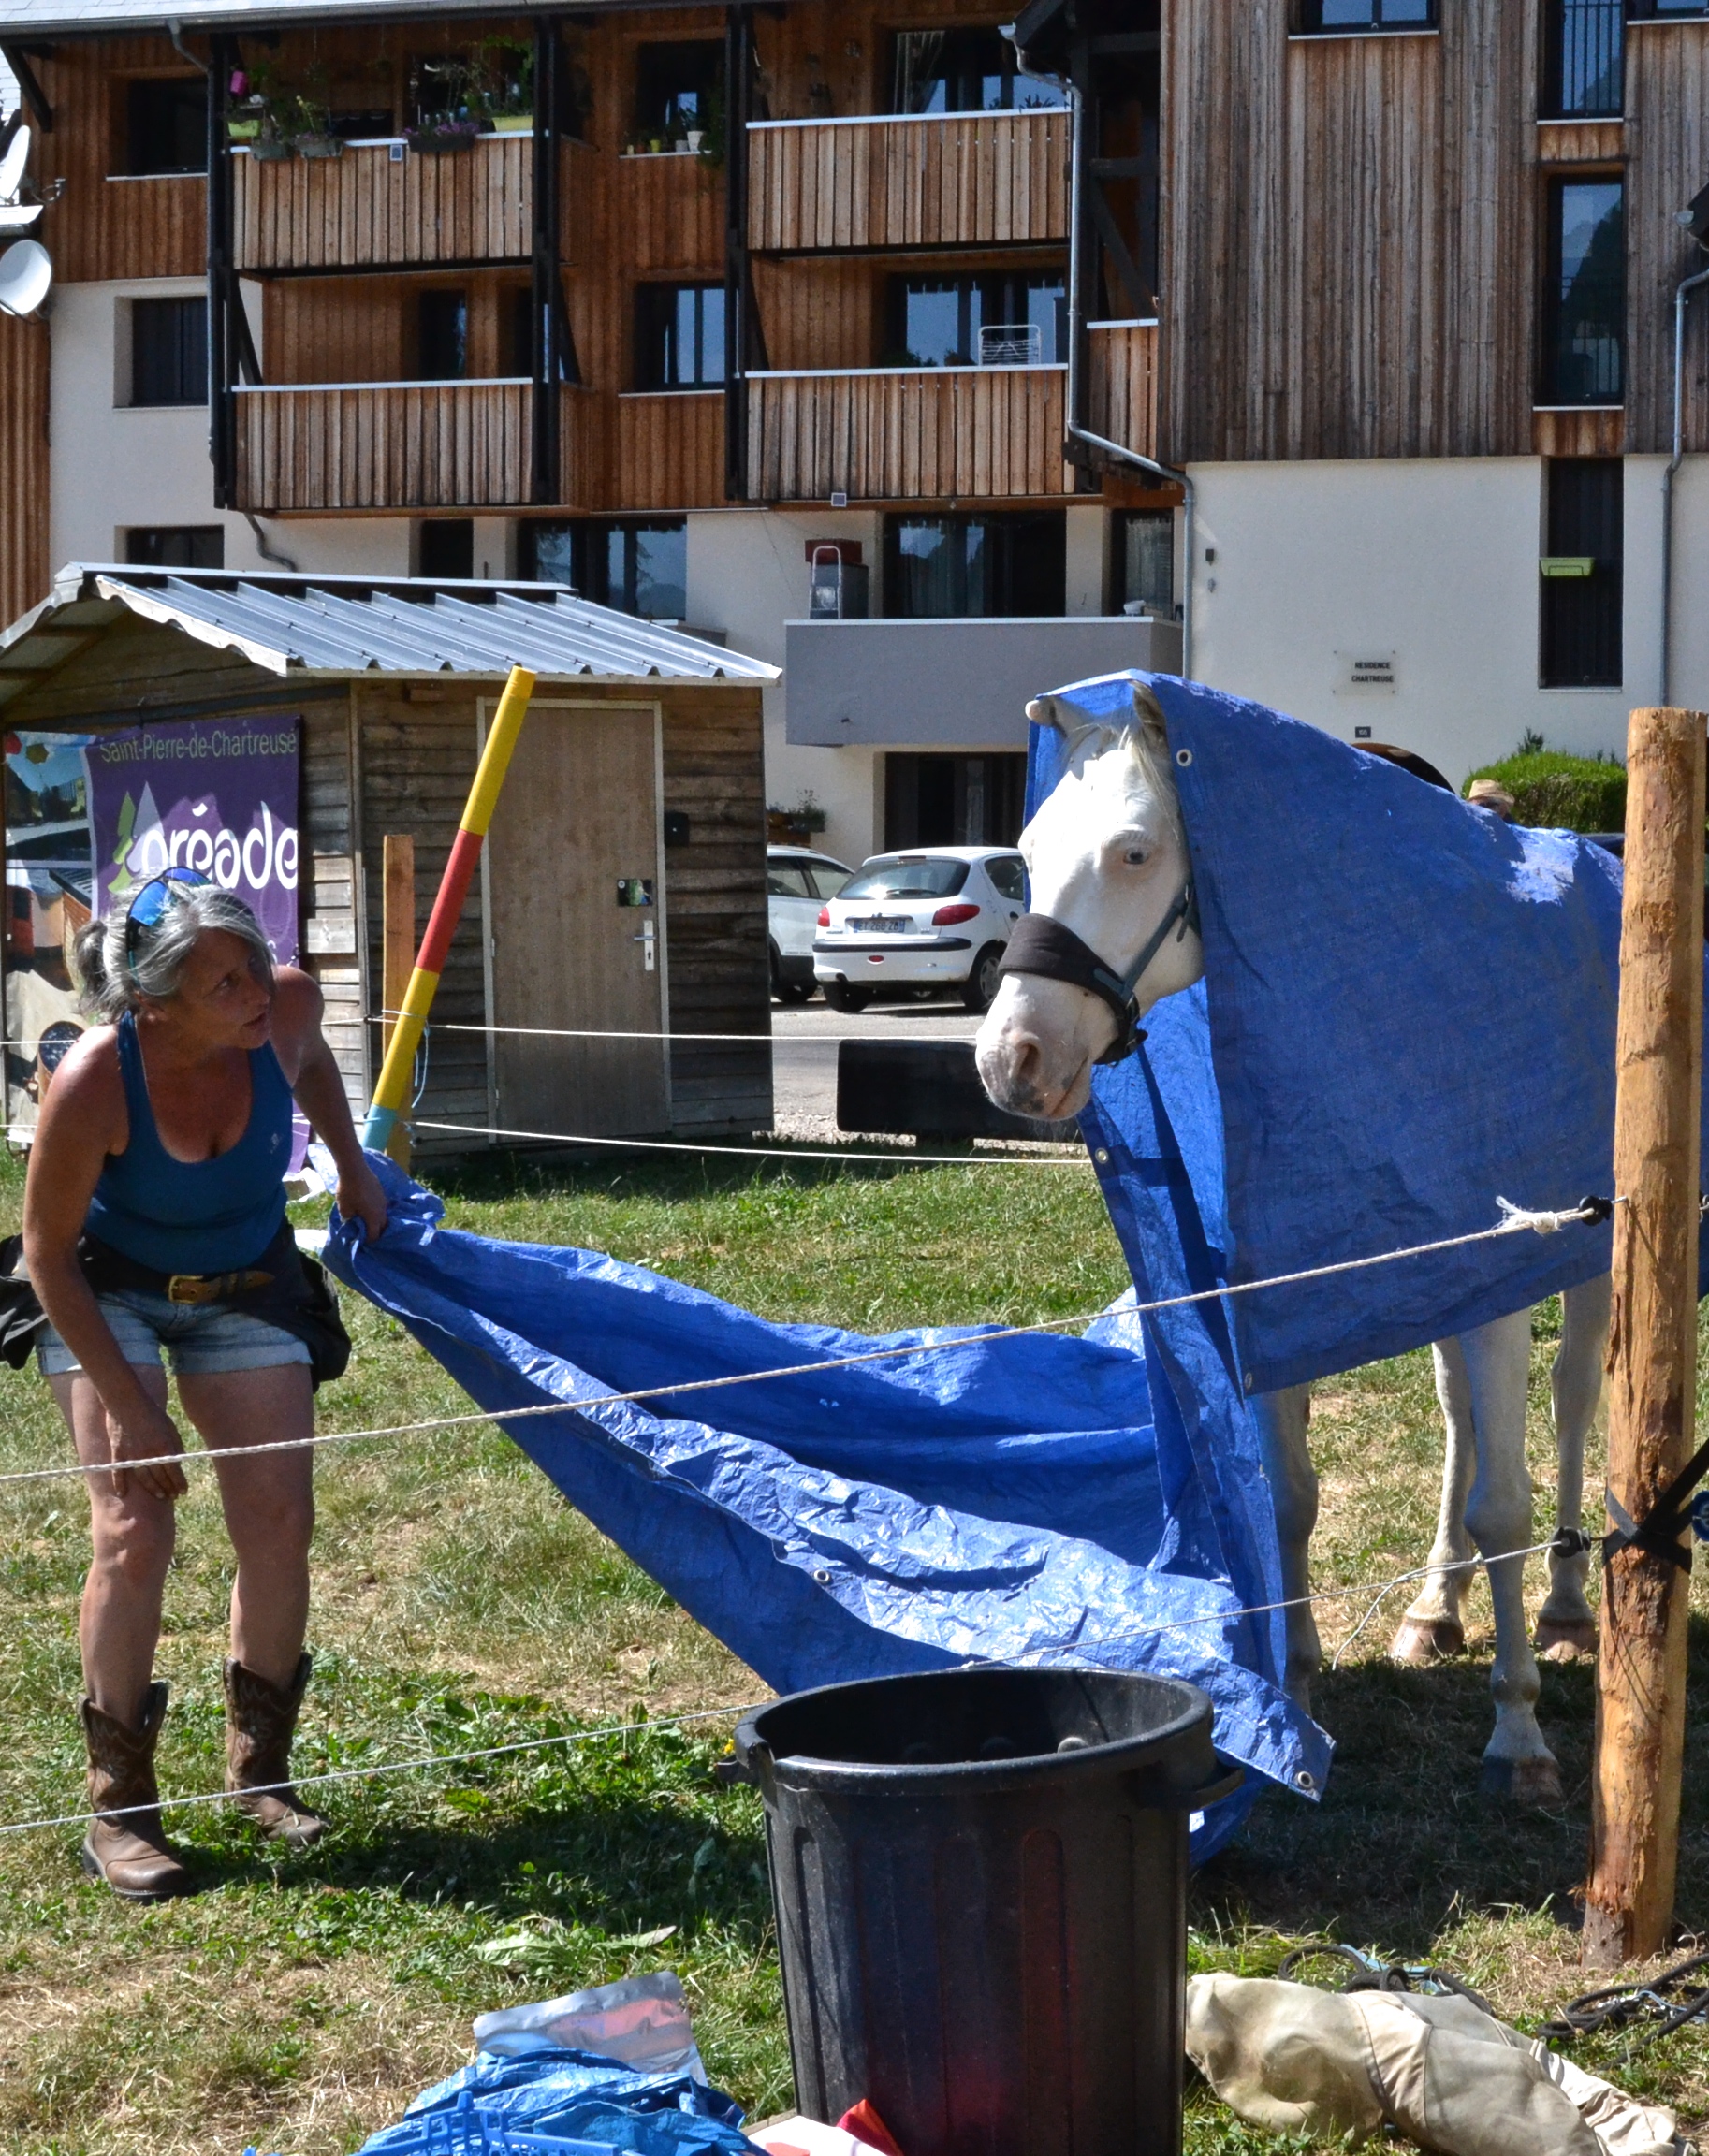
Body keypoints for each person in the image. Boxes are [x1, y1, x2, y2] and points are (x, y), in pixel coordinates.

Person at [22, 868, 387, 1901]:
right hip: (107, 1291)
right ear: (152, 1000)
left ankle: (260, 1776)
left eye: (249, 963)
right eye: (222, 982)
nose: (253, 992)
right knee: (134, 1527)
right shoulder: (95, 1076)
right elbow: (47, 1256)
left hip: (246, 1280)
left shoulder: (288, 1004)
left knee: (277, 1517)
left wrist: (351, 1162)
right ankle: (119, 1809)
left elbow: (307, 1060)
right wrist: (135, 1413)